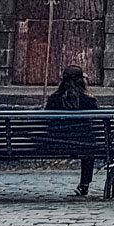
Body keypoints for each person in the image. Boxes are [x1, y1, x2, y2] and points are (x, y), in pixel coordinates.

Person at [44, 65, 98, 198]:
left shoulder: (53, 99)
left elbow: (46, 123)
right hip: (83, 145)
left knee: (88, 142)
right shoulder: (89, 101)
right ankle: (84, 183)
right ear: (81, 80)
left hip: (55, 145)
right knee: (89, 143)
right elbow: (97, 125)